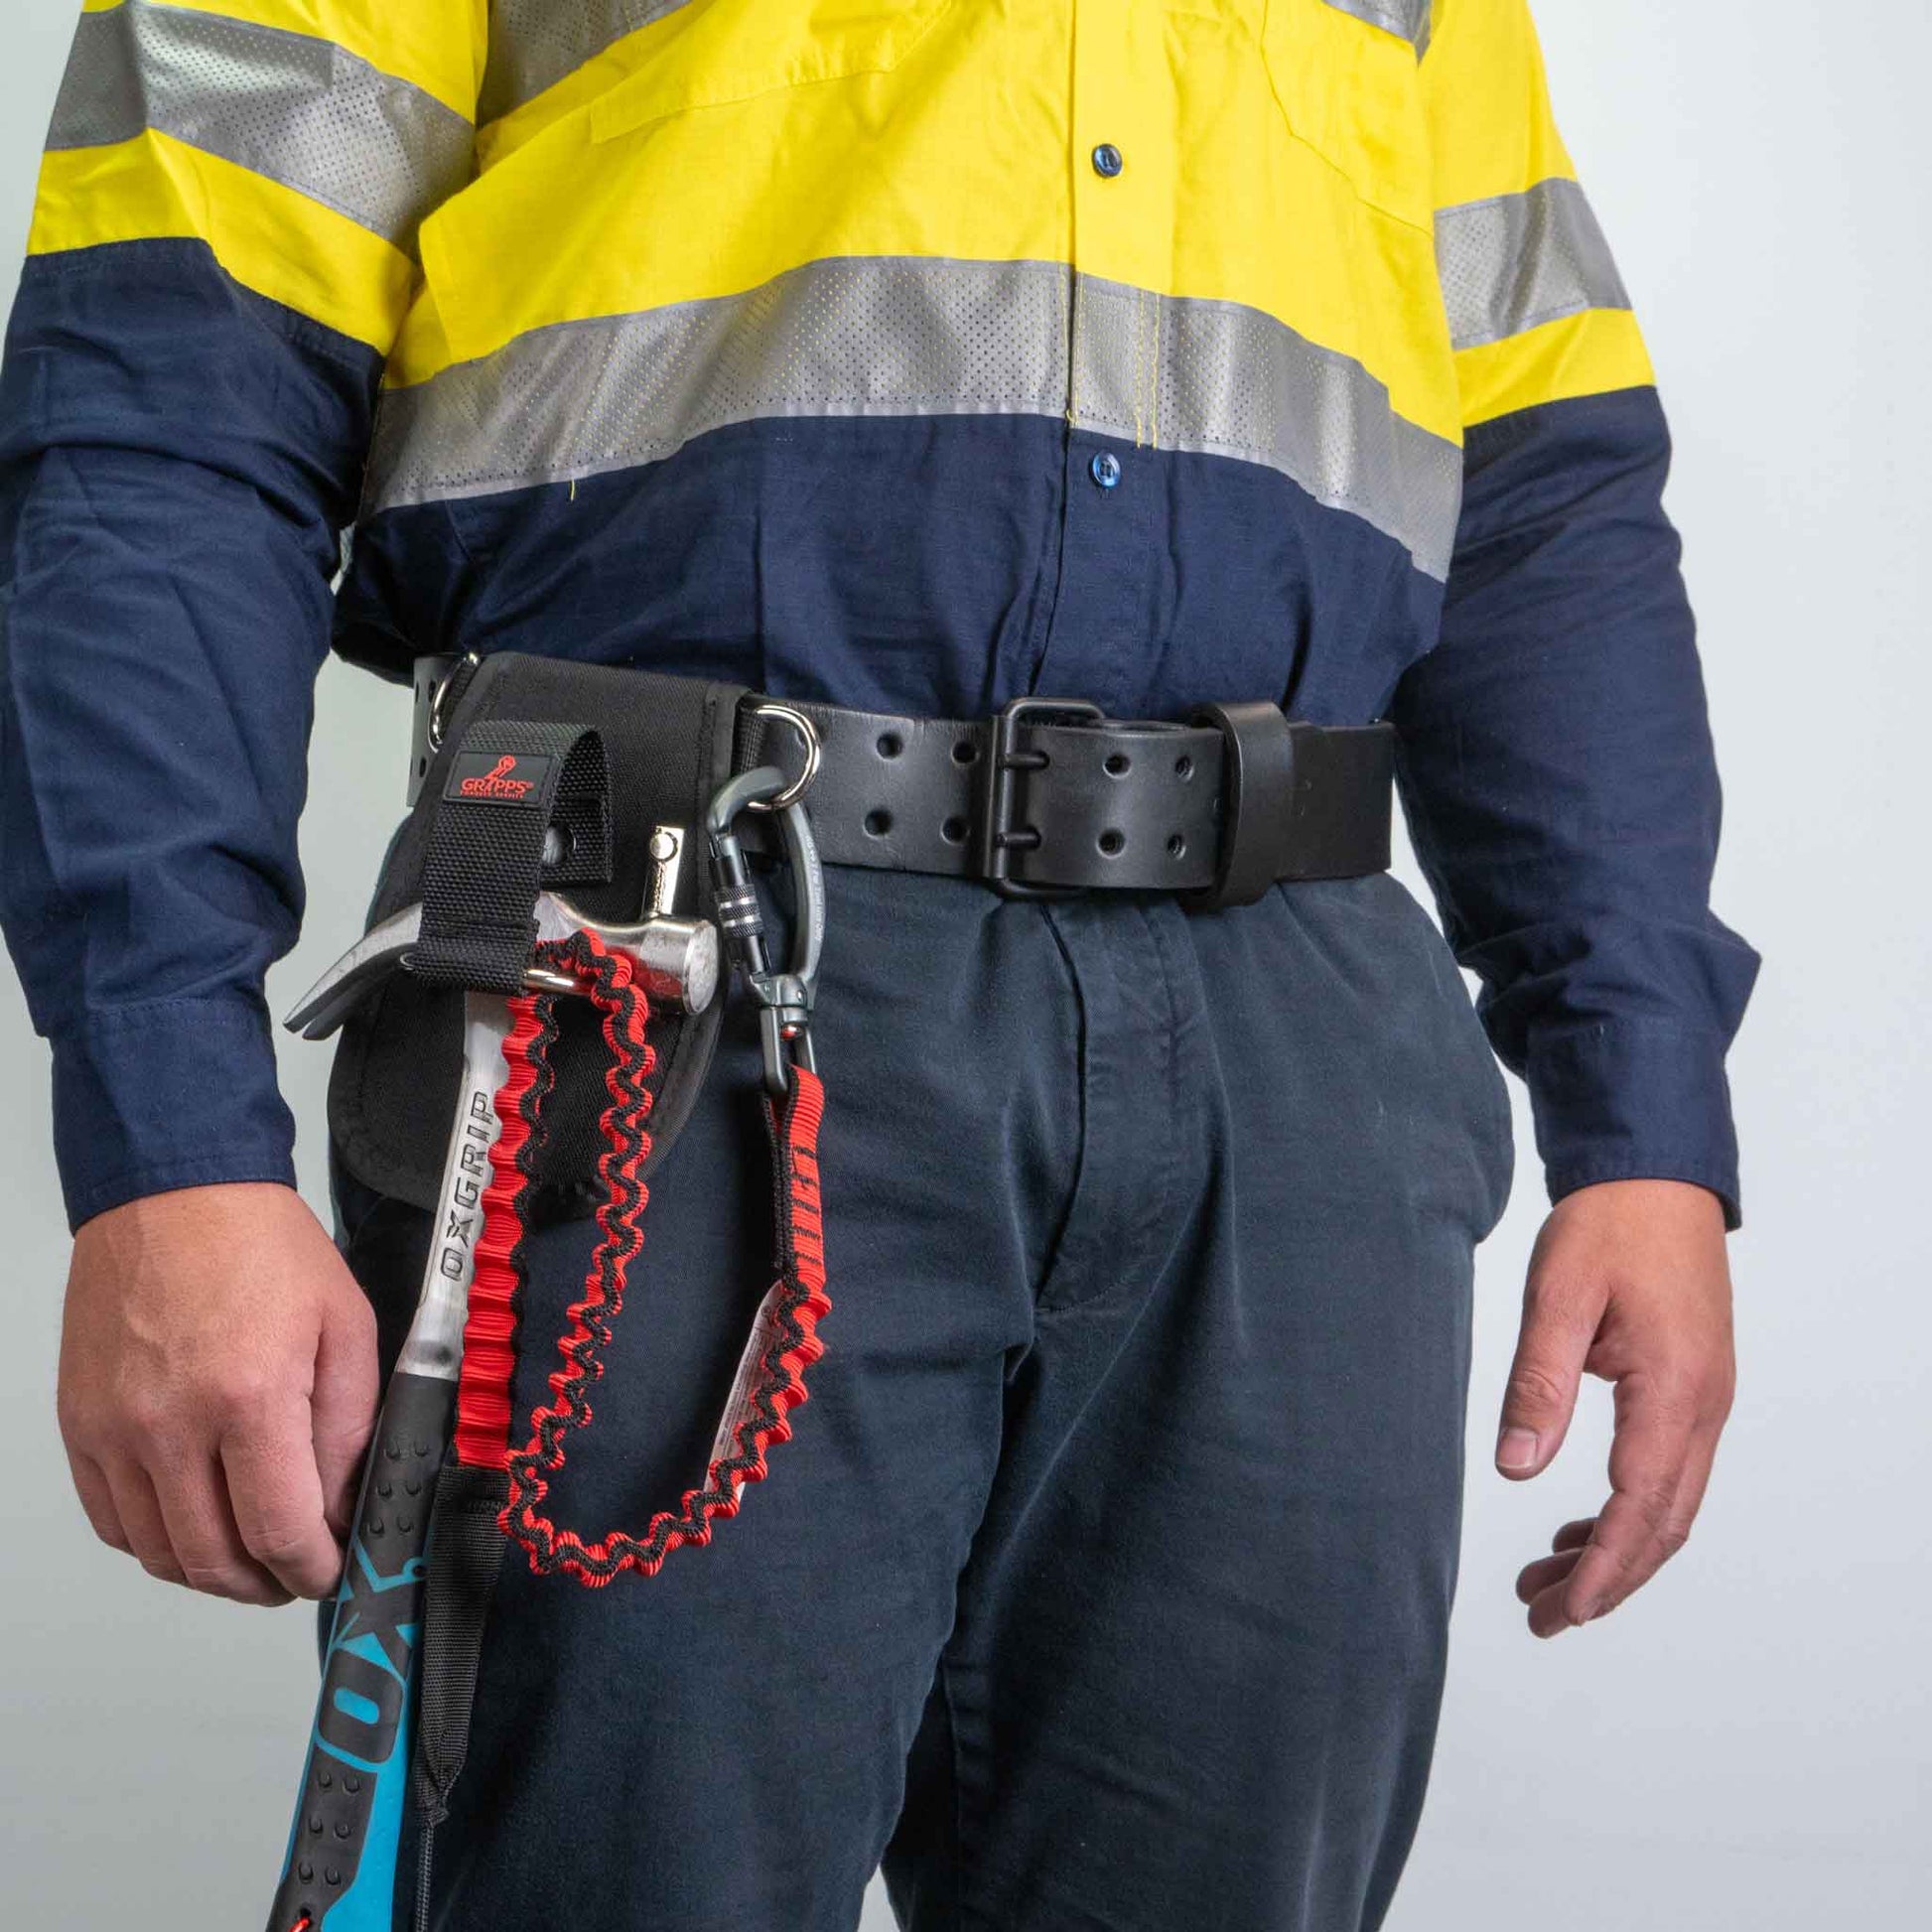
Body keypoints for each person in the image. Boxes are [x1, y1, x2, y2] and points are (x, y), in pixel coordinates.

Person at [0, 1, 1757, 1927]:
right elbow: (162, 419)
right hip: (668, 970)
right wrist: (168, 1135)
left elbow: (1542, 506)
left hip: (1294, 1039)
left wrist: (1643, 1117)